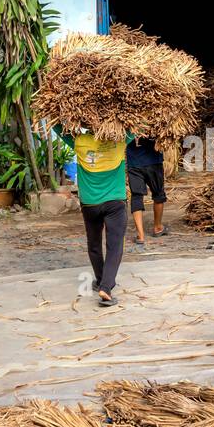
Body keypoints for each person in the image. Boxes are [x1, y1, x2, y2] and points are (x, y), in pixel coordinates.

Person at [55, 124, 130, 306]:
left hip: (90, 203)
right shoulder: (120, 140)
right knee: (115, 245)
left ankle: (100, 281)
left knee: (94, 244)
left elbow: (57, 128)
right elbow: (139, 123)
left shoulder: (80, 142)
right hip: (115, 202)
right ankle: (106, 286)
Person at [127, 135, 168, 247]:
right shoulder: (155, 118)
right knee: (158, 193)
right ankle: (158, 227)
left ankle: (140, 235)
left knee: (136, 196)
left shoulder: (126, 122)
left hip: (134, 164)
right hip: (153, 161)